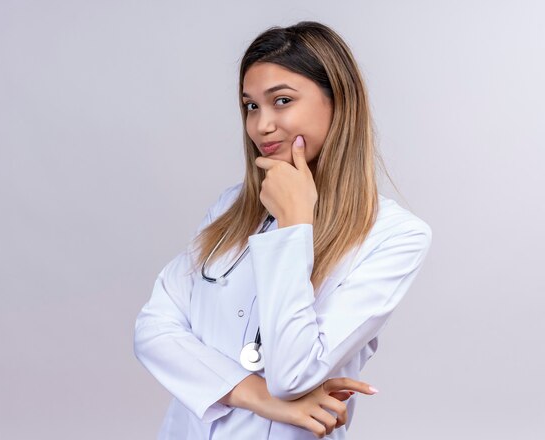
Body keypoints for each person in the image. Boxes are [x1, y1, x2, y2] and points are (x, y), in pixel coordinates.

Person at [134, 20, 433, 439]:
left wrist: (294, 226)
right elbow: (153, 331)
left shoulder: (394, 235)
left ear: (339, 103)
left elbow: (292, 374)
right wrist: (259, 398)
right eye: (251, 106)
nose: (261, 125)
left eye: (282, 101)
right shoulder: (229, 208)